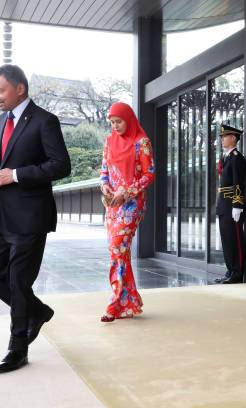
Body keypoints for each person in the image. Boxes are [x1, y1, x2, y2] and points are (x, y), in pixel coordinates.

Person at [0, 64, 71, 373]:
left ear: (19, 88)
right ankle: (38, 311)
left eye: (0, 90)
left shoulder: (45, 121)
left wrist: (16, 175)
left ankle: (17, 348)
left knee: (19, 282)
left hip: (30, 217)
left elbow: (60, 165)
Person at [99, 102, 155, 322]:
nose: (115, 126)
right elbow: (104, 170)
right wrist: (104, 185)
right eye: (112, 123)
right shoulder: (109, 141)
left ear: (128, 119)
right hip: (112, 203)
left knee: (117, 246)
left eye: (119, 121)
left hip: (132, 204)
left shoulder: (142, 142)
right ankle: (129, 302)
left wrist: (128, 192)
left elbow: (149, 174)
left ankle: (115, 302)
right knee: (118, 251)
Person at [215, 124, 246, 284]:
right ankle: (230, 271)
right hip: (223, 205)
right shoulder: (226, 157)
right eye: (221, 137)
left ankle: (237, 273)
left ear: (233, 138)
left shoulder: (236, 158)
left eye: (224, 136)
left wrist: (238, 205)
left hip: (232, 206)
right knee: (226, 239)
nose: (222, 139)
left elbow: (238, 183)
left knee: (235, 240)